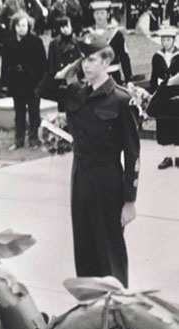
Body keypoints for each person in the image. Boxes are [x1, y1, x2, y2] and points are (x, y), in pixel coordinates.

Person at [36, 33, 140, 288]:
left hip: (107, 181)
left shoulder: (121, 99)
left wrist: (129, 201)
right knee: (84, 246)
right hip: (80, 177)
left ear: (106, 62)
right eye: (83, 59)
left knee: (109, 250)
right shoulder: (75, 93)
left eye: (92, 59)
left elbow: (133, 154)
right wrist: (68, 70)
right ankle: (91, 310)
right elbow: (43, 89)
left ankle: (116, 310)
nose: (86, 64)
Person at [0, 10, 47, 150]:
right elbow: (5, 64)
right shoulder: (9, 43)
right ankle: (18, 141)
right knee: (19, 114)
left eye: (25, 26)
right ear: (14, 26)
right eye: (20, 26)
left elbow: (42, 64)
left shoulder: (36, 42)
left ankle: (34, 139)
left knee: (34, 113)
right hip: (17, 84)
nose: (22, 28)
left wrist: (40, 82)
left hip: (33, 84)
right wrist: (5, 83)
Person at [150, 27, 179, 169]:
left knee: (177, 124)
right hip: (162, 92)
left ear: (174, 40)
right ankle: (167, 157)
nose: (166, 42)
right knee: (163, 125)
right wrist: (152, 92)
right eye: (163, 40)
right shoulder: (157, 56)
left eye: (168, 40)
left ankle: (178, 157)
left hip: (176, 92)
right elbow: (154, 75)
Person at [87, 0, 133, 85]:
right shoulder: (88, 35)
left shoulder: (117, 34)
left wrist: (129, 80)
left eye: (102, 13)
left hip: (113, 76)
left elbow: (124, 57)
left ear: (108, 15)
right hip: (95, 77)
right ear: (93, 15)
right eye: (97, 13)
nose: (99, 16)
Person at [48, 16, 81, 111]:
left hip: (73, 79)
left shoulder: (77, 42)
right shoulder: (54, 44)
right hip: (60, 80)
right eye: (62, 27)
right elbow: (51, 63)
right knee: (61, 106)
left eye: (67, 26)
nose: (65, 29)